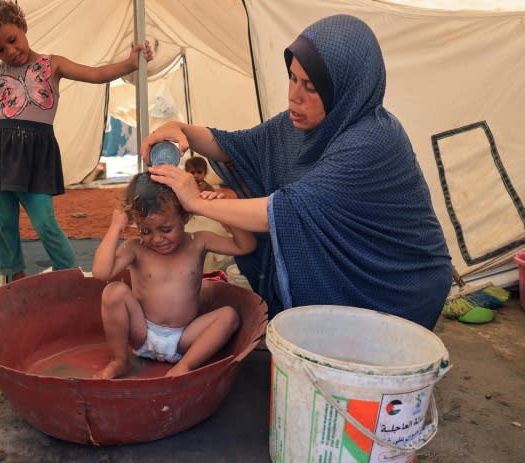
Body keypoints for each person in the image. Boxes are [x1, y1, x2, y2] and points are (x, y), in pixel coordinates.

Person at [142, 14, 452, 330]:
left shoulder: (372, 140)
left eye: (310, 86)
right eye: (292, 78)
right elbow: (239, 145)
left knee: (360, 360)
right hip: (350, 270)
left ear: (345, 88)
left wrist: (197, 202)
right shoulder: (305, 122)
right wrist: (181, 130)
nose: (294, 95)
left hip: (393, 285)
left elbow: (287, 210)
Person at [0, 0, 153, 282]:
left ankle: (71, 275)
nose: (10, 52)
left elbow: (96, 74)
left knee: (45, 223)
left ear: (22, 25)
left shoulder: (53, 64)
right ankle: (13, 279)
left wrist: (128, 64)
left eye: (13, 40)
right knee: (4, 224)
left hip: (35, 156)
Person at [91, 173, 257, 379]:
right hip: (142, 332)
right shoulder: (136, 248)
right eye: (145, 231)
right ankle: (119, 361)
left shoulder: (199, 242)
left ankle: (184, 366)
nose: (157, 239)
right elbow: (101, 273)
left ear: (185, 216)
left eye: (166, 229)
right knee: (112, 291)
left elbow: (246, 246)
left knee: (229, 316)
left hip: (184, 338)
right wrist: (115, 227)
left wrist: (219, 212)